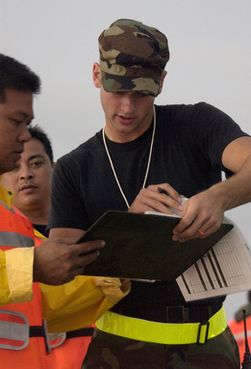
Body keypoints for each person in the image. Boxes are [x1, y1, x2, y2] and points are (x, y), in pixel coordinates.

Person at [48, 18, 251, 369]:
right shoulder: (72, 168)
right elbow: (63, 272)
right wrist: (131, 227)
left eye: (141, 93)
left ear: (161, 83)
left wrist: (219, 197)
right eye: (116, 89)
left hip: (211, 350)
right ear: (96, 75)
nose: (127, 107)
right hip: (119, 353)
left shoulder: (196, 124)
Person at [0, 53, 105, 305]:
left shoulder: (10, 213)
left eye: (27, 123)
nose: (25, 136)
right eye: (16, 121)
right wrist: (32, 267)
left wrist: (114, 273)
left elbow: (41, 306)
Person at [1, 125, 94, 369]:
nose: (25, 174)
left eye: (36, 163)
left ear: (54, 167)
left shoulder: (91, 230)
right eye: (14, 167)